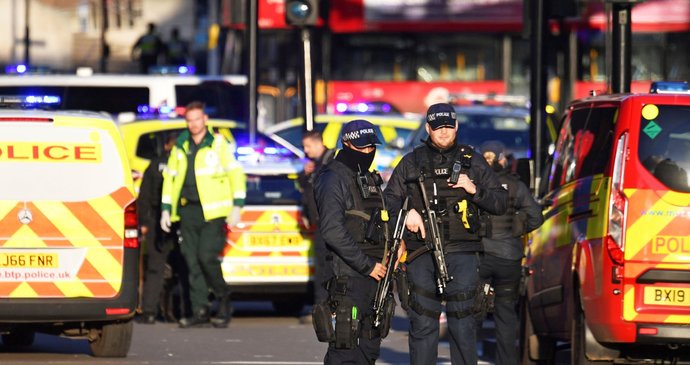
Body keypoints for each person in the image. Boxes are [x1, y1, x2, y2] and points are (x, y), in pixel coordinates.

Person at [384, 102, 508, 365]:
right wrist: (407, 215)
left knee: (463, 324)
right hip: (421, 252)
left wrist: (474, 189)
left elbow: (500, 202)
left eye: (448, 126)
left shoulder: (472, 161)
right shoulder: (411, 161)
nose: (443, 132)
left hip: (462, 252)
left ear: (456, 126)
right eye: (437, 127)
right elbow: (388, 201)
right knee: (423, 322)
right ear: (428, 128)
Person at [313, 119, 394, 364]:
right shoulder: (332, 178)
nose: (368, 152)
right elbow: (332, 230)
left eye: (371, 147)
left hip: (375, 276)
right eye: (362, 147)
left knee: (368, 349)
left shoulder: (367, 178)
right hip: (348, 276)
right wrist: (367, 265)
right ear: (346, 144)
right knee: (345, 348)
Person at [160, 101, 246, 328]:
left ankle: (223, 297)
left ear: (205, 120)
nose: (193, 124)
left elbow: (235, 174)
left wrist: (237, 204)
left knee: (206, 256)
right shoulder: (181, 146)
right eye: (189, 120)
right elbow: (170, 179)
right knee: (191, 261)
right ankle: (200, 309)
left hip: (213, 212)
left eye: (197, 119)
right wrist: (166, 209)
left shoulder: (218, 144)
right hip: (187, 211)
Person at [477, 140, 544, 365]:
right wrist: (516, 227)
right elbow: (536, 215)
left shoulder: (474, 184)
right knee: (506, 316)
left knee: (470, 313)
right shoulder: (516, 186)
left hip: (481, 257)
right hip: (509, 259)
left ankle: (466, 358)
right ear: (502, 159)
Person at [138, 132, 188, 324]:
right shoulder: (185, 165)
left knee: (155, 269)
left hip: (156, 222)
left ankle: (149, 312)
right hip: (181, 223)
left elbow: (144, 196)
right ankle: (185, 311)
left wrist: (143, 223)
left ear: (167, 145)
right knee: (183, 269)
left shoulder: (154, 165)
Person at [297, 130, 335, 313]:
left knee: (326, 267)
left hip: (329, 222)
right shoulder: (315, 164)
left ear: (318, 143)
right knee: (323, 266)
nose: (305, 150)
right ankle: (322, 305)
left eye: (308, 146)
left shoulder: (330, 161)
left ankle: (323, 306)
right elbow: (306, 188)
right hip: (319, 222)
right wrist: (304, 174)